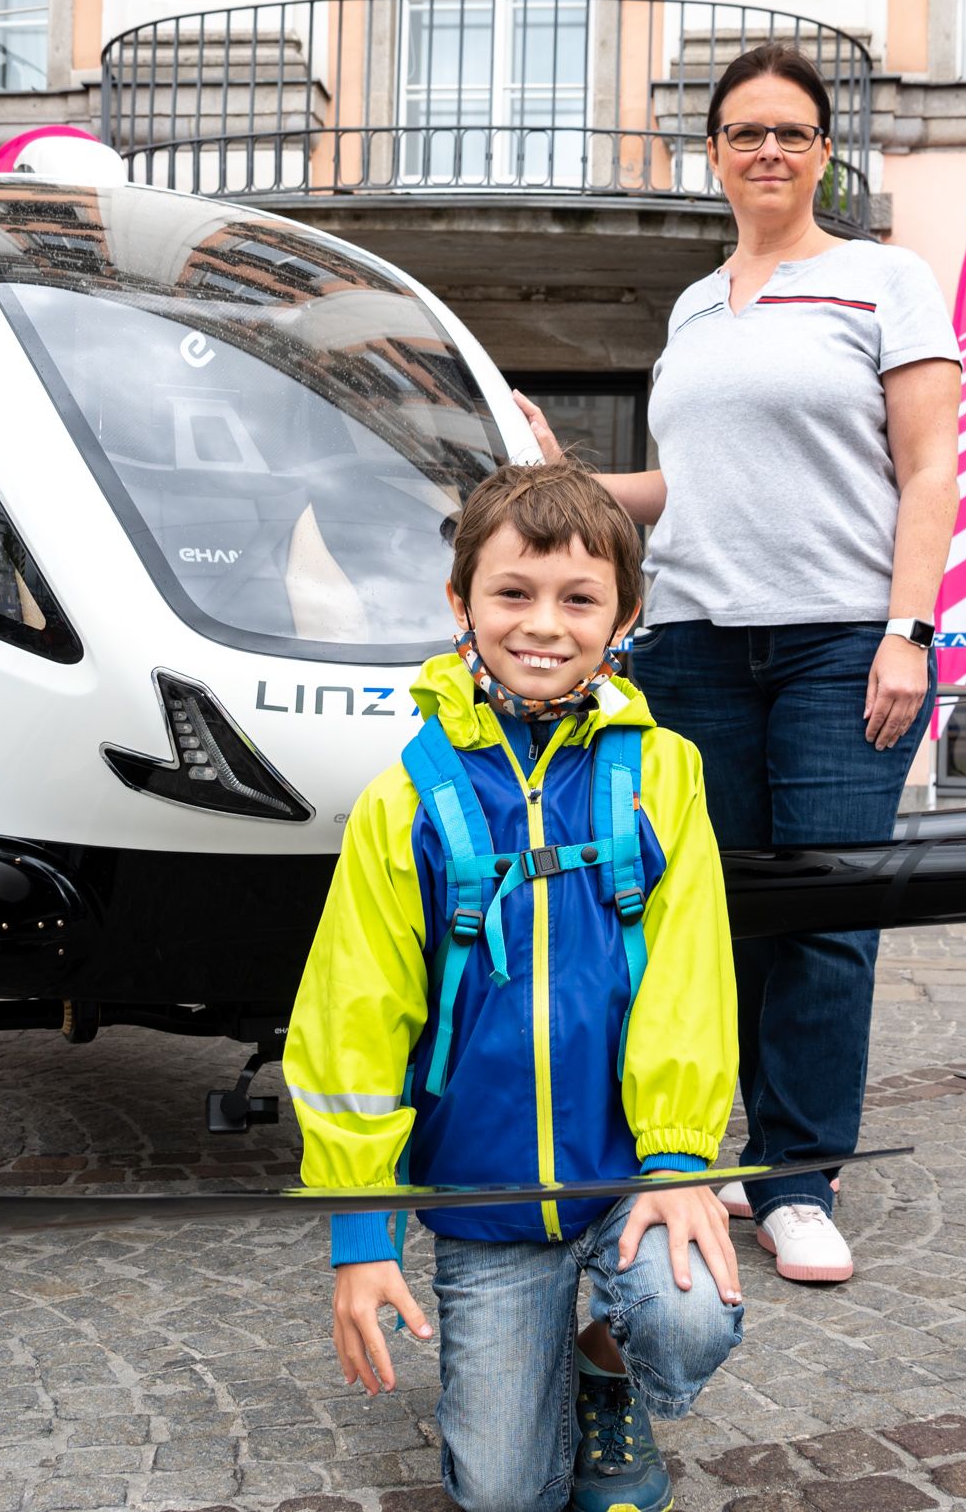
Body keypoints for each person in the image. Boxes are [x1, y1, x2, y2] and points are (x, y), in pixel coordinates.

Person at [515, 41, 963, 1285]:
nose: (769, 148)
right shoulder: (694, 306)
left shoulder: (884, 281)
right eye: (745, 131)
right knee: (706, 914)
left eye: (794, 130)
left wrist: (909, 632)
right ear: (711, 154)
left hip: (840, 643)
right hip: (695, 646)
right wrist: (566, 479)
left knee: (826, 916)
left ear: (825, 153)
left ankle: (801, 1178)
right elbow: (684, 489)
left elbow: (931, 466)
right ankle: (695, 1144)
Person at [284, 461, 741, 1512]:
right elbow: (352, 1021)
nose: (544, 624)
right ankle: (543, 1373)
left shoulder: (665, 773)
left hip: (630, 1175)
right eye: (514, 592)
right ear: (461, 604)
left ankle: (607, 1366)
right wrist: (363, 1231)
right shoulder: (405, 795)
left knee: (685, 1319)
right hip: (487, 1209)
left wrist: (679, 1164)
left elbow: (691, 977)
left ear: (625, 615)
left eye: (579, 599)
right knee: (501, 1497)